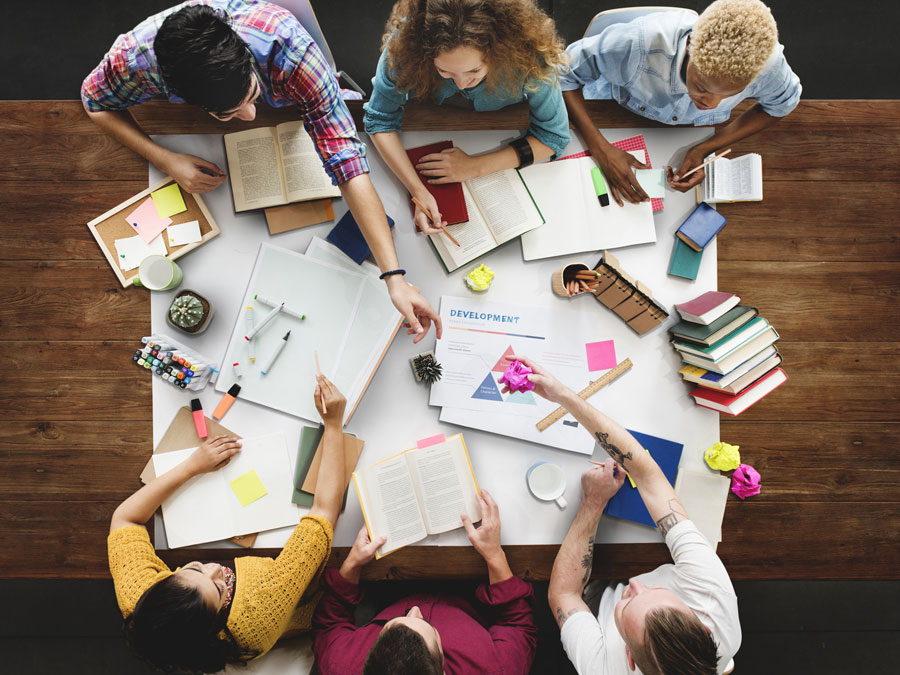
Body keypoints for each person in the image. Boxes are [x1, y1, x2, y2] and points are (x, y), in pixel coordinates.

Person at [81, 1, 440, 343]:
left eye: (252, 95)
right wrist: (163, 159)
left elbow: (347, 162)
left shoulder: (294, 52)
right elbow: (93, 100)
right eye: (227, 114)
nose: (250, 117)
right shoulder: (136, 62)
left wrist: (393, 278)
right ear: (173, 91)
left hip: (287, 62)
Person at [514, 355, 741, 675]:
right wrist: (564, 395)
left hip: (591, 597)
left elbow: (564, 594)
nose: (636, 584)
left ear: (630, 659)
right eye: (657, 592)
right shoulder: (713, 600)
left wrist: (592, 503)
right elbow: (648, 475)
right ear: (705, 629)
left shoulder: (604, 669)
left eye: (628, 604)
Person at [107, 375, 347, 672]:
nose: (216, 569)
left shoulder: (142, 600)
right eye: (219, 589)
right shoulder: (259, 612)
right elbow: (323, 511)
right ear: (214, 624)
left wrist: (191, 467)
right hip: (302, 606)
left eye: (194, 568)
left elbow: (125, 518)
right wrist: (334, 424)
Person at [560, 0, 801, 205]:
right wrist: (601, 150)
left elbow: (782, 105)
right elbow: (562, 73)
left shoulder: (768, 65)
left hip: (686, 135)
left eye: (730, 94)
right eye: (701, 87)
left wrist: (704, 148)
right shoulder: (636, 43)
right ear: (689, 47)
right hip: (611, 113)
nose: (712, 104)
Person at [364, 0, 570, 234]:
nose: (461, 83)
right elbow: (379, 120)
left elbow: (553, 137)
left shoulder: (530, 53)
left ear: (499, 49)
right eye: (445, 71)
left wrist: (474, 167)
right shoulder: (405, 45)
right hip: (429, 127)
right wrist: (417, 190)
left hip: (498, 129)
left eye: (474, 71)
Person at [312, 489, 537, 674]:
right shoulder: (499, 669)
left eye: (392, 624)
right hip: (472, 598)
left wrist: (352, 563)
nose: (415, 610)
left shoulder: (339, 665)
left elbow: (330, 621)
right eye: (428, 628)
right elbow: (517, 623)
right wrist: (494, 554)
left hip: (389, 591)